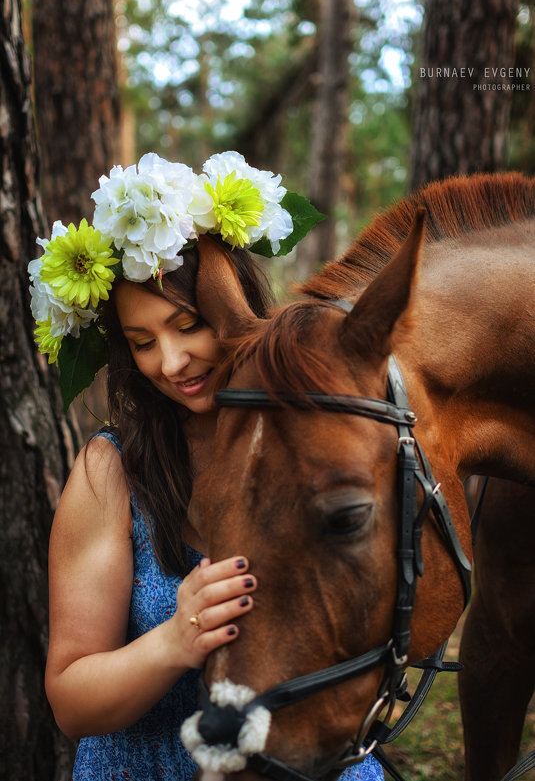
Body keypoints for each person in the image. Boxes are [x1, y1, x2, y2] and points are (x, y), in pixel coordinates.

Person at [29, 151, 385, 780]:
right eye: (142, 343)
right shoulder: (110, 474)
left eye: (187, 325)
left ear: (234, 304)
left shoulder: (317, 441)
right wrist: (173, 641)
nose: (170, 362)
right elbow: (70, 701)